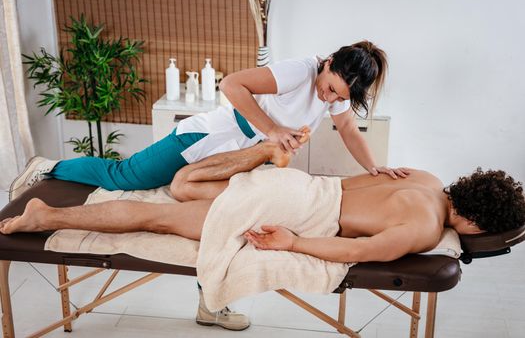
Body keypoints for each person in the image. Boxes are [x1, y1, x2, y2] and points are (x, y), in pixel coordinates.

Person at [10, 40, 408, 202]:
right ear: (327, 64)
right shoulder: (299, 72)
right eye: (330, 87)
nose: (330, 98)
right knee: (123, 177)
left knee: (217, 216)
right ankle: (49, 166)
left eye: (339, 96)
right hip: (209, 137)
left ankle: (210, 302)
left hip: (244, 156)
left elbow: (349, 130)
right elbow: (232, 84)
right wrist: (272, 131)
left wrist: (374, 167)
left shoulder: (336, 93)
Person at [3, 140, 524, 261]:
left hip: (303, 185)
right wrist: (295, 243)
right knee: (156, 217)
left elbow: (365, 180)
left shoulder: (429, 177)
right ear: (476, 218)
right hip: (296, 209)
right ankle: (46, 214)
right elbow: (354, 253)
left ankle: (262, 153)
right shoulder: (427, 229)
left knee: (184, 184)